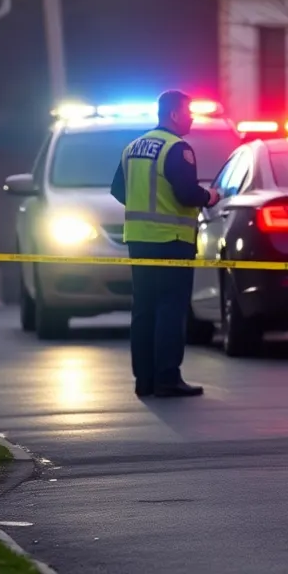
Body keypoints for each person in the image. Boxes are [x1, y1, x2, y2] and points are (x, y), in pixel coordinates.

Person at [111, 90, 219, 399]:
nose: (192, 118)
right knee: (171, 309)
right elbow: (187, 194)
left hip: (139, 241)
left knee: (144, 309)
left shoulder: (132, 147)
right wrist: (210, 196)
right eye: (188, 112)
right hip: (172, 241)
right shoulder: (177, 148)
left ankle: (144, 381)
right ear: (173, 115)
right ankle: (167, 378)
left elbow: (118, 190)